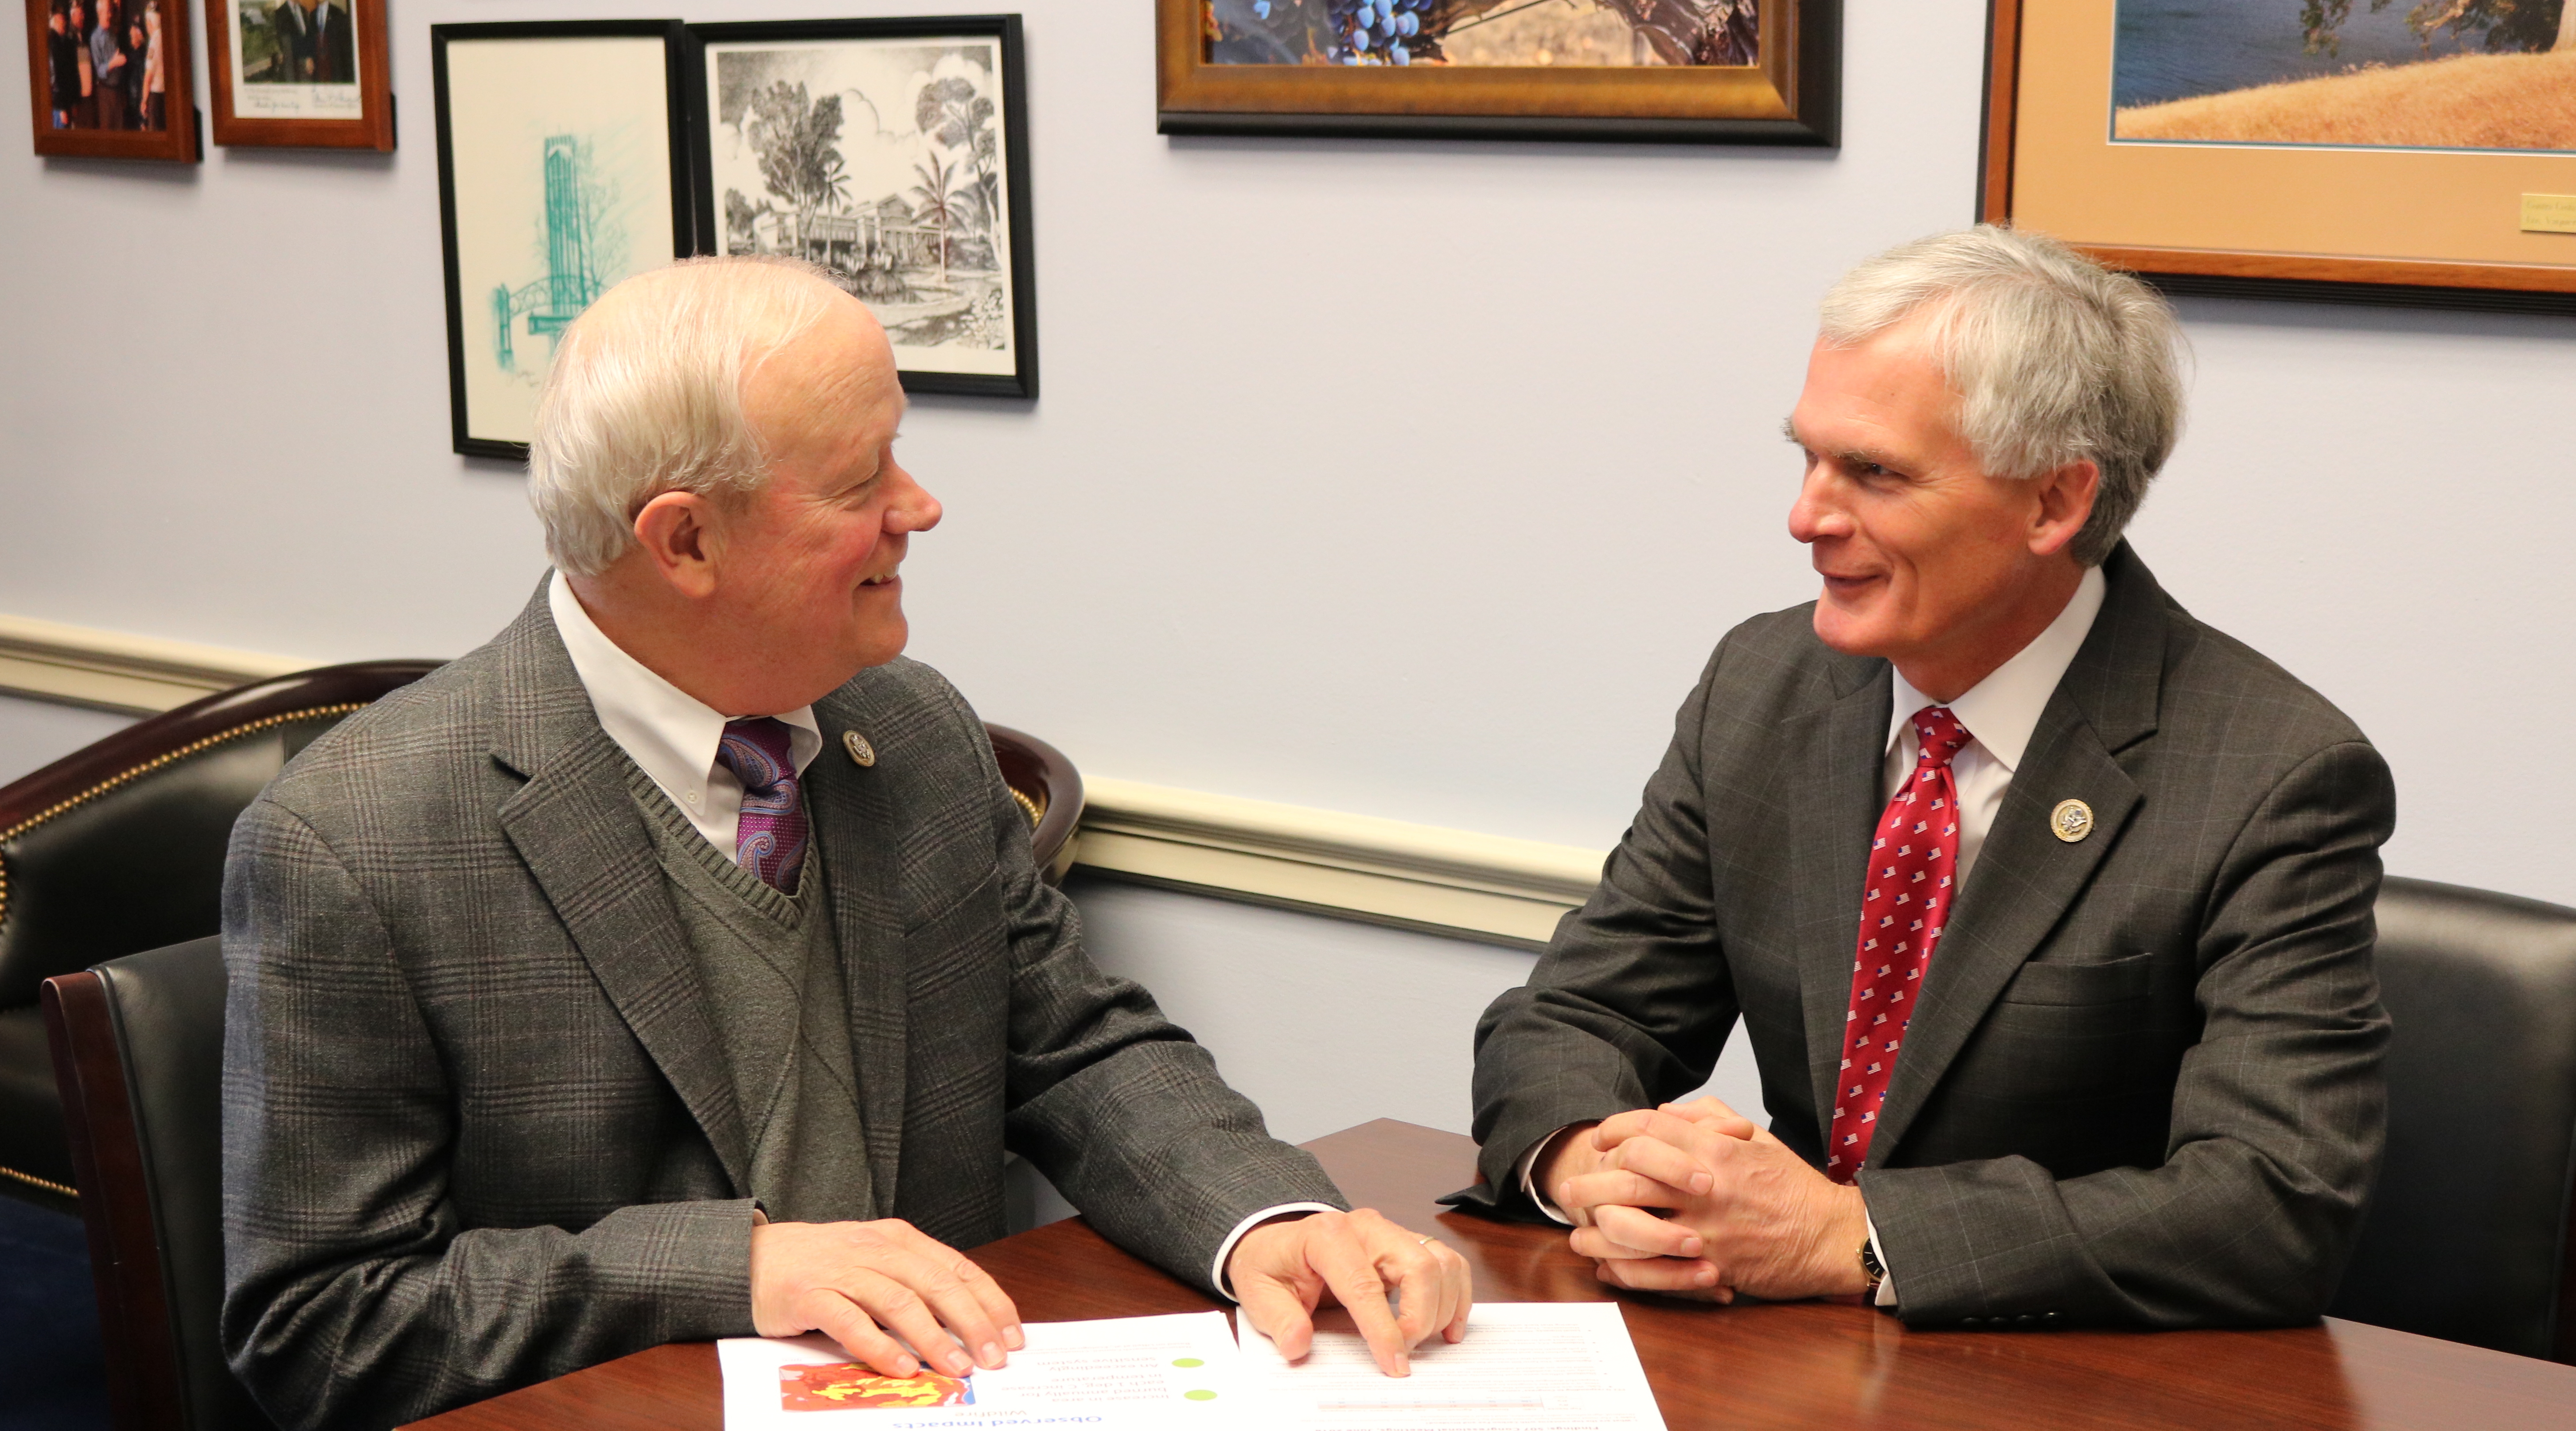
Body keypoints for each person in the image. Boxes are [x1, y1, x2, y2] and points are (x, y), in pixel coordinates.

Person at [220, 257, 1473, 1431]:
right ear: (685, 540)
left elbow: (1078, 1049)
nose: (919, 507)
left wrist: (1264, 1217)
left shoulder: (906, 729)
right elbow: (320, 1322)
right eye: (860, 479)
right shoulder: (358, 840)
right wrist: (738, 1265)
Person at [1457, 226, 2392, 1331]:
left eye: (1873, 473)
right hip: (1774, 1361)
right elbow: (1573, 1015)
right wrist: (1591, 1160)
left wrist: (1843, 1235)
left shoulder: (2274, 773)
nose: (1806, 516)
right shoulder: (1764, 687)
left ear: (2053, 502)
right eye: (1806, 456)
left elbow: (2268, 1206)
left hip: (2063, 1385)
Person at [308, 0, 352, 82]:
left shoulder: (339, 15)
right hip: (319, 77)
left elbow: (347, 54)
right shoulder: (312, 16)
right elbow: (311, 45)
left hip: (336, 76)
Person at [268, 0, 310, 82]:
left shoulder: (304, 12)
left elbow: (308, 40)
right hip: (292, 78)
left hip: (307, 76)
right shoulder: (280, 14)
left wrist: (310, 57)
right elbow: (281, 50)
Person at [88, 0, 125, 131]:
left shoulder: (112, 34)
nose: (110, 15)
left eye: (111, 11)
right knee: (108, 132)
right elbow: (99, 71)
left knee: (120, 130)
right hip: (105, 92)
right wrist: (114, 63)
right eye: (107, 12)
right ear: (99, 13)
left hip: (117, 90)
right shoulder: (95, 38)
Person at [45, 8, 76, 128]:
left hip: (63, 102)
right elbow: (56, 77)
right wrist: (62, 108)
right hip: (59, 105)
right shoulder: (54, 44)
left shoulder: (62, 42)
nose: (64, 23)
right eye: (61, 20)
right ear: (53, 22)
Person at [137, 0, 164, 132]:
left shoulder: (154, 41)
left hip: (156, 96)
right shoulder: (165, 36)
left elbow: (148, 77)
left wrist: (144, 101)